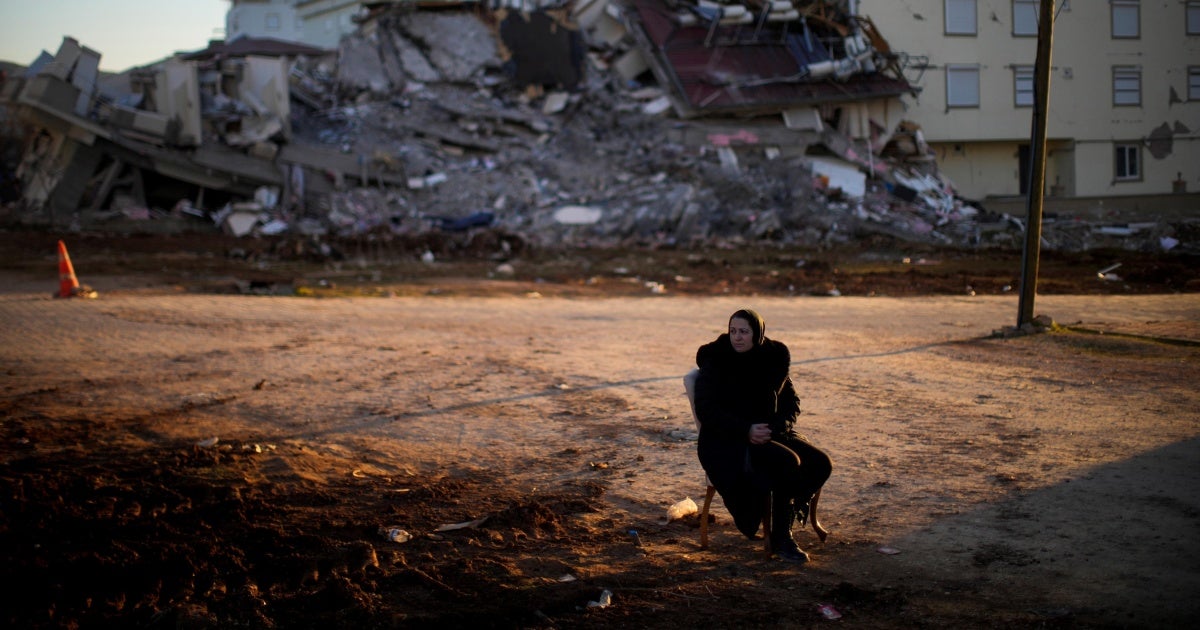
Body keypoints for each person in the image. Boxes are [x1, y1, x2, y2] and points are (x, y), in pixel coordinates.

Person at [687, 308, 832, 563]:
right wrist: (746, 430)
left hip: (769, 431)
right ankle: (781, 538)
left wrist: (773, 428)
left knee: (821, 463)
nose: (737, 337)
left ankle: (782, 514)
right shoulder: (716, 359)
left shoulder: (772, 359)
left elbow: (791, 403)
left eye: (744, 332)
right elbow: (706, 410)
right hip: (727, 439)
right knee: (787, 462)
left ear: (757, 333)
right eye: (733, 331)